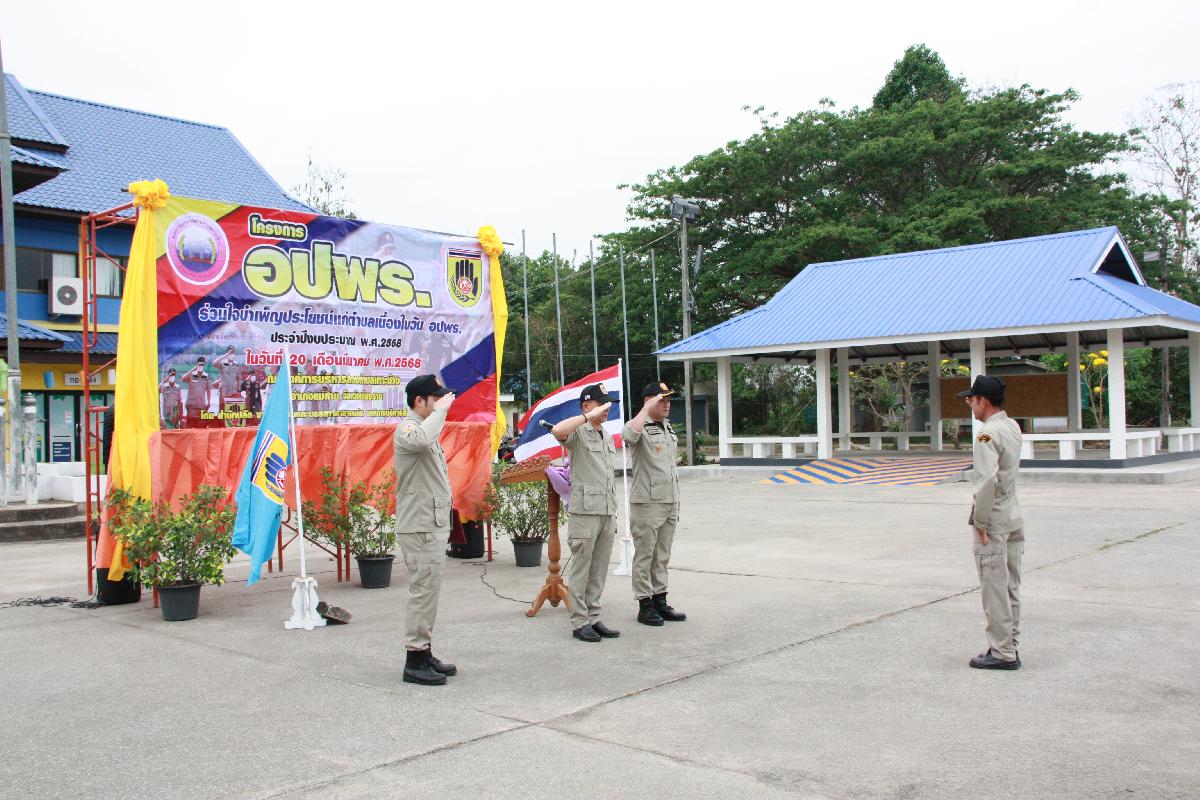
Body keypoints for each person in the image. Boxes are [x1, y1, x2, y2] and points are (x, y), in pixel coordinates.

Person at [393, 374, 458, 685]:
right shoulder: (408, 429)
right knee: (423, 592)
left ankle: (424, 650)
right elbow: (419, 440)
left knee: (429, 591)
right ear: (419, 401)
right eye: (436, 399)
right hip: (419, 525)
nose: (441, 404)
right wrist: (441, 412)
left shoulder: (426, 429)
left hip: (430, 523)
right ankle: (414, 659)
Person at [959, 375, 1024, 671]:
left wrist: (980, 522)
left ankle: (1001, 653)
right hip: (1013, 516)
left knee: (994, 588)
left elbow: (986, 481)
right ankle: (1009, 643)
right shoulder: (1012, 426)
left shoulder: (987, 435)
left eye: (971, 399)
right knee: (1010, 587)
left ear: (983, 401)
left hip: (994, 520)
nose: (969, 403)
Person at [551, 383, 620, 643]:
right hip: (585, 513)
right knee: (582, 567)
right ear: (586, 406)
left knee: (599, 568)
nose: (606, 408)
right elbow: (557, 430)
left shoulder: (606, 435)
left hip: (606, 511)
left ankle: (594, 617)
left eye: (608, 403)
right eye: (601, 403)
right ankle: (579, 621)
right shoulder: (578, 432)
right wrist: (587, 417)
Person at [622, 382, 686, 626]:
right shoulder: (639, 425)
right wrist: (646, 409)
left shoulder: (666, 426)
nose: (667, 404)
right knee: (645, 555)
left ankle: (660, 599)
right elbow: (628, 436)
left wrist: (677, 497)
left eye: (668, 400)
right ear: (648, 402)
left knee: (662, 555)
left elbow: (669, 467)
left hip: (668, 501)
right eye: (661, 400)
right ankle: (644, 604)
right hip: (647, 504)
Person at [181, 358, 212, 429]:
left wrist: (209, 402)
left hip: (202, 405)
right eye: (200, 364)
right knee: (190, 426)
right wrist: (193, 369)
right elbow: (183, 378)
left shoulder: (206, 375)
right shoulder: (191, 374)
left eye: (202, 365)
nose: (201, 366)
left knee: (201, 427)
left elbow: (208, 390)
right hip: (192, 405)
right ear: (197, 364)